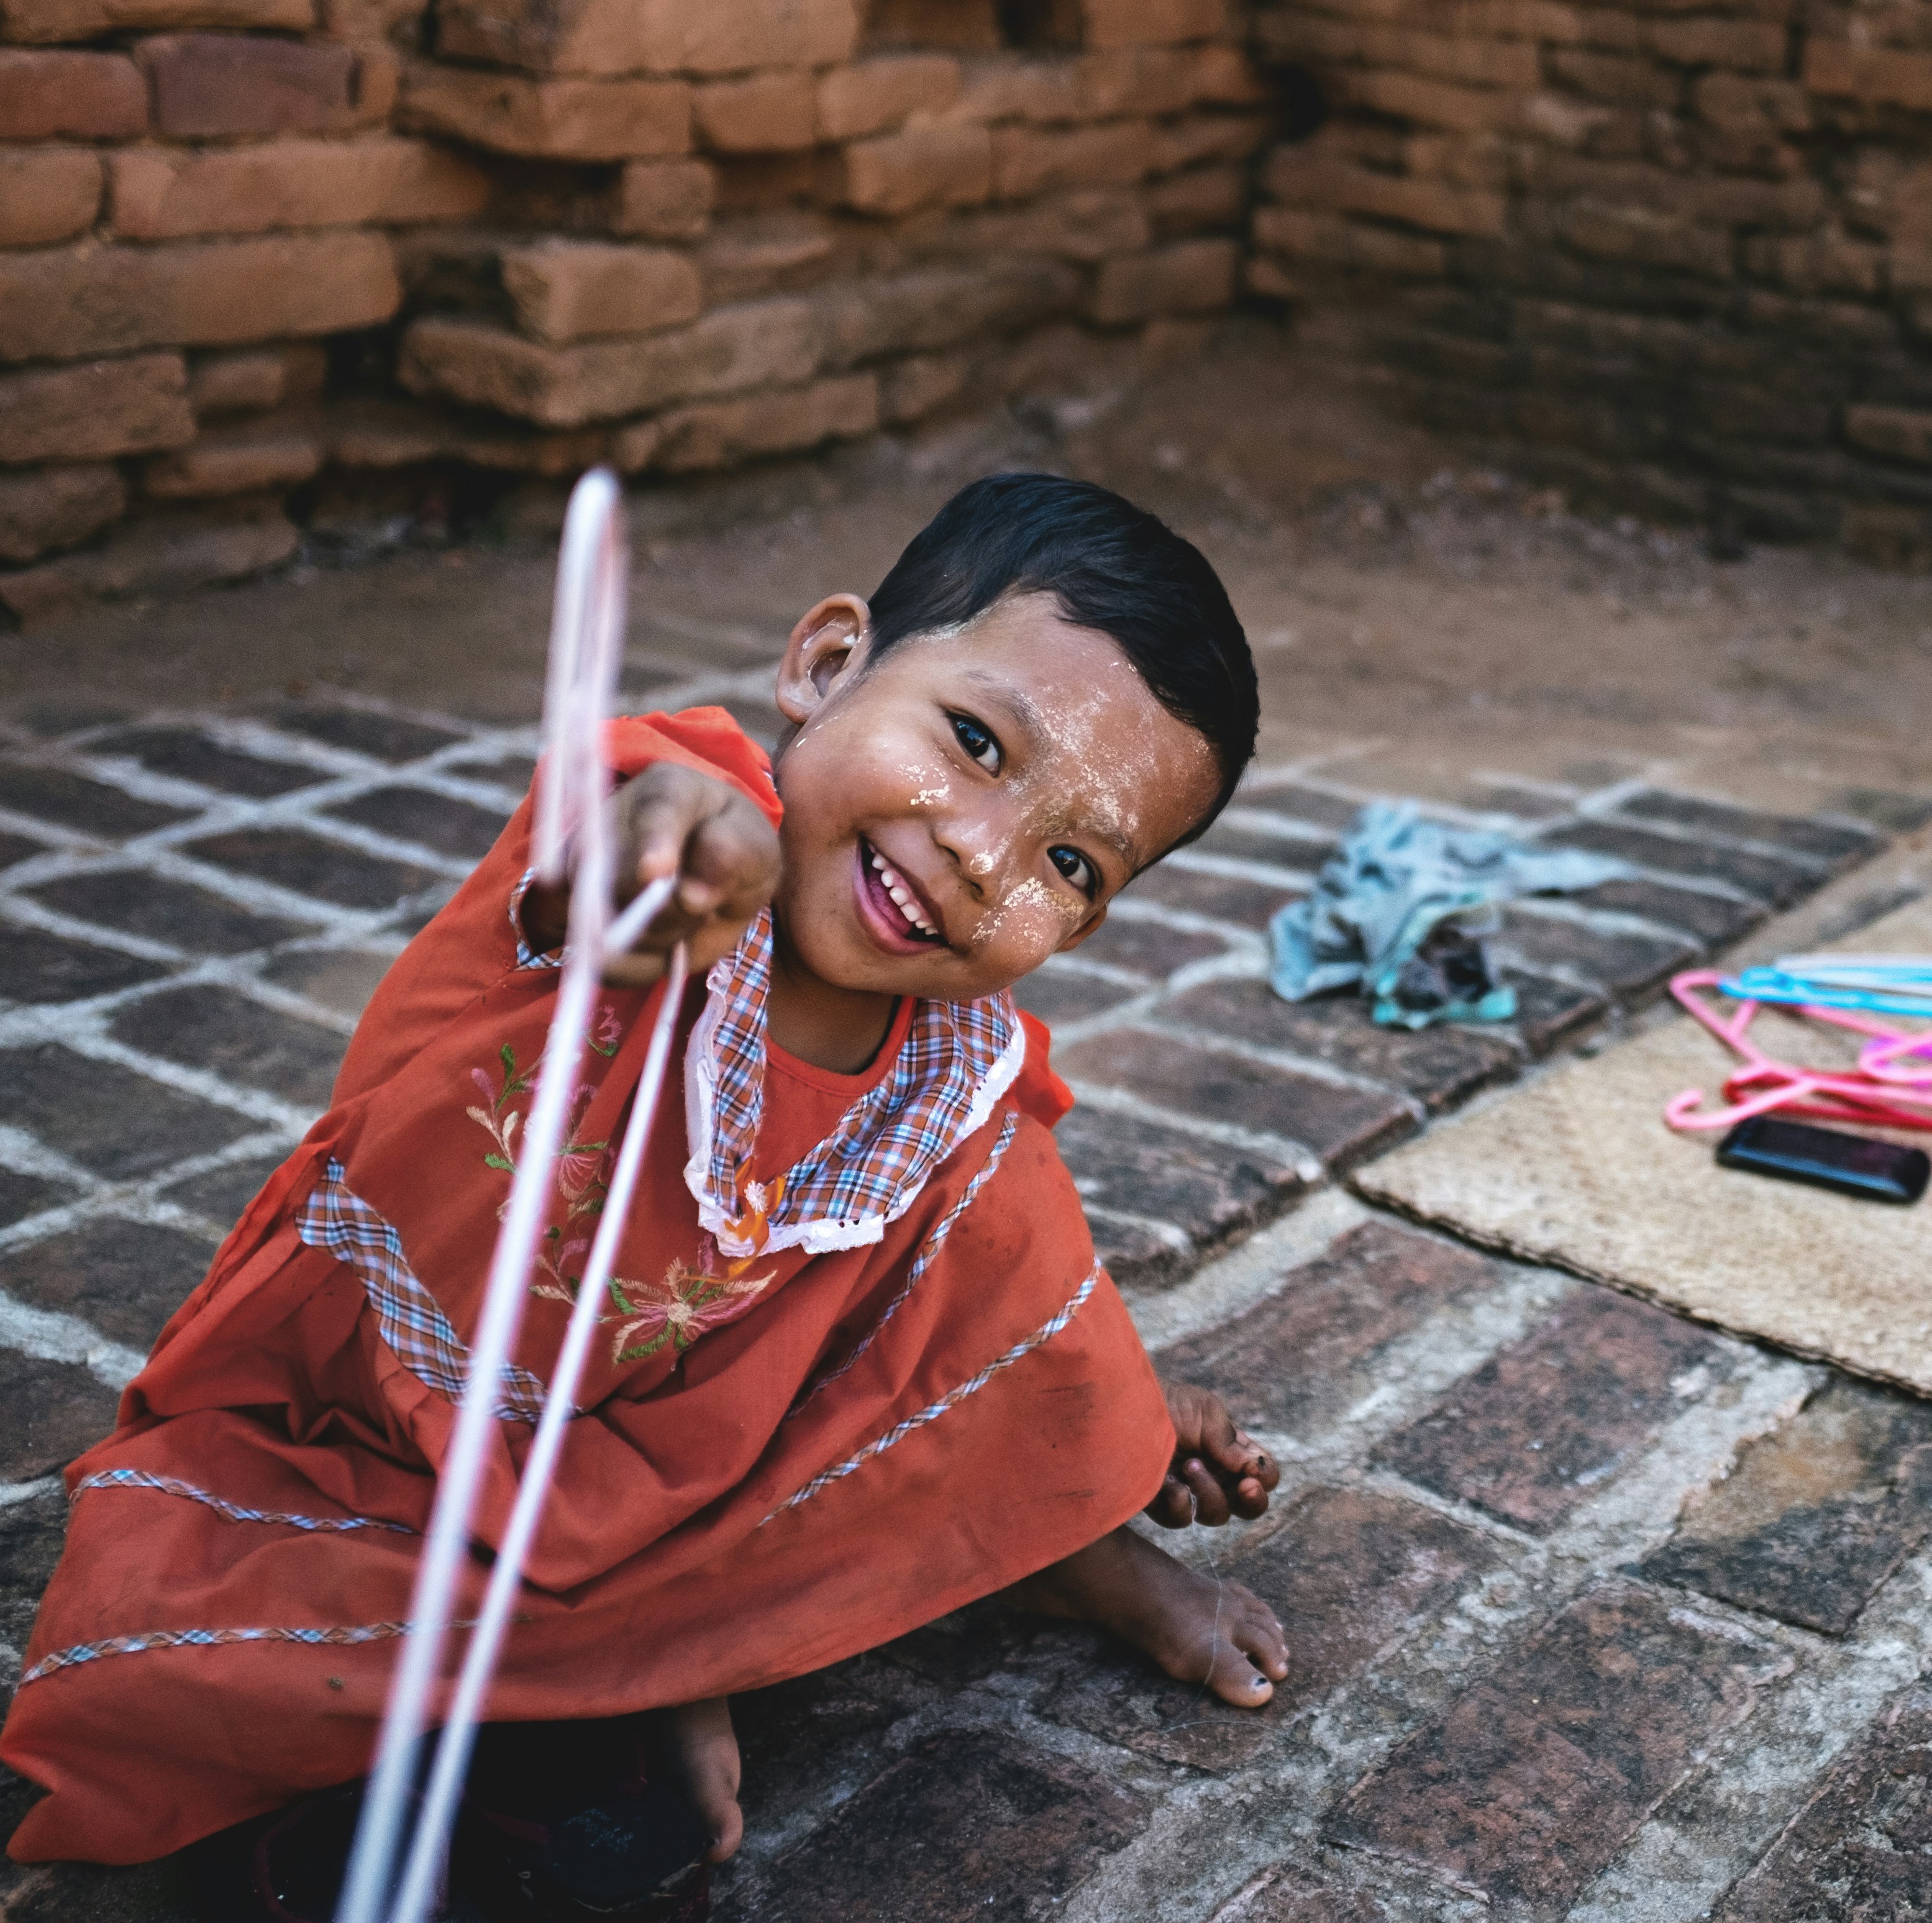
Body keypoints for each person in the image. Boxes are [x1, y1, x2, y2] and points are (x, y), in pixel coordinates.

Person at [0, 473, 1289, 1909]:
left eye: (1070, 861)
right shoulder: (669, 851)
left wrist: (1094, 1409)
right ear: (823, 664)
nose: (984, 858)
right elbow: (624, 831)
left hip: (691, 1472)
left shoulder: (948, 1081)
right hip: (404, 1437)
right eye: (975, 742)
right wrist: (686, 846)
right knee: (208, 1639)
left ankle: (1069, 1516)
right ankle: (684, 1649)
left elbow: (1009, 1280)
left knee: (1010, 1212)